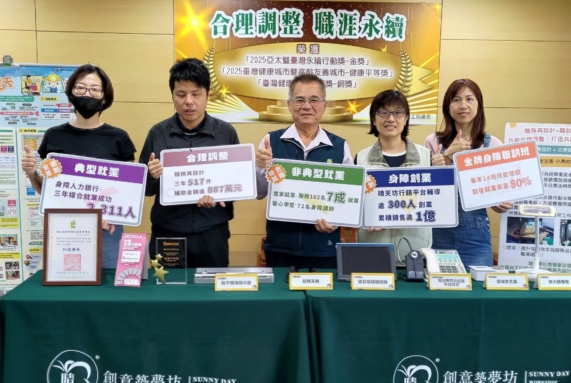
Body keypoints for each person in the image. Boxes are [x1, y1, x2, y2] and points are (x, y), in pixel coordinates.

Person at [21, 64, 136, 269]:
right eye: (81, 88)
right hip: (65, 228)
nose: (87, 94)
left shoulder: (118, 137)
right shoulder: (54, 136)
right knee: (67, 284)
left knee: (109, 284)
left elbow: (128, 191)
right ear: (71, 93)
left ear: (104, 97)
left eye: (95, 89)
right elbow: (48, 191)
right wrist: (32, 174)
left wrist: (111, 215)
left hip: (107, 229)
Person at [139, 58, 240, 269]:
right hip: (168, 233)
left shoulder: (225, 133)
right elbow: (144, 190)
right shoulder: (157, 133)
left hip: (212, 232)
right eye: (181, 94)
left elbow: (237, 183)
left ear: (207, 95)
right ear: (172, 96)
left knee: (211, 288)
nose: (189, 101)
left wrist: (219, 196)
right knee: (167, 288)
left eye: (196, 94)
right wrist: (151, 176)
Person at [255, 73, 353, 269]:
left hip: (323, 247)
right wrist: (261, 167)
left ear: (324, 106)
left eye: (314, 100)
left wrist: (336, 220)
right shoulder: (270, 142)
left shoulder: (339, 146)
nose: (306, 106)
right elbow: (259, 193)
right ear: (289, 105)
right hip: (281, 247)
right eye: (299, 100)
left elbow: (350, 198)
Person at [424, 79, 512, 269]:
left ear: (479, 105)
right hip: (437, 233)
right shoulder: (433, 141)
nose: (463, 105)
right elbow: (424, 188)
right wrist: (447, 156)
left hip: (476, 237)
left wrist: (501, 204)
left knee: (478, 287)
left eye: (469, 99)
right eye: (456, 100)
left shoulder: (493, 144)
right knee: (438, 286)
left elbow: (499, 193)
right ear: (447, 106)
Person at [354, 90, 432, 264]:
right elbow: (353, 204)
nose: (390, 119)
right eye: (383, 112)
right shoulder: (361, 159)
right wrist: (365, 217)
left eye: (398, 112)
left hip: (415, 253)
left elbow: (435, 201)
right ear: (374, 119)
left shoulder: (427, 157)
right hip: (373, 249)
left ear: (406, 118)